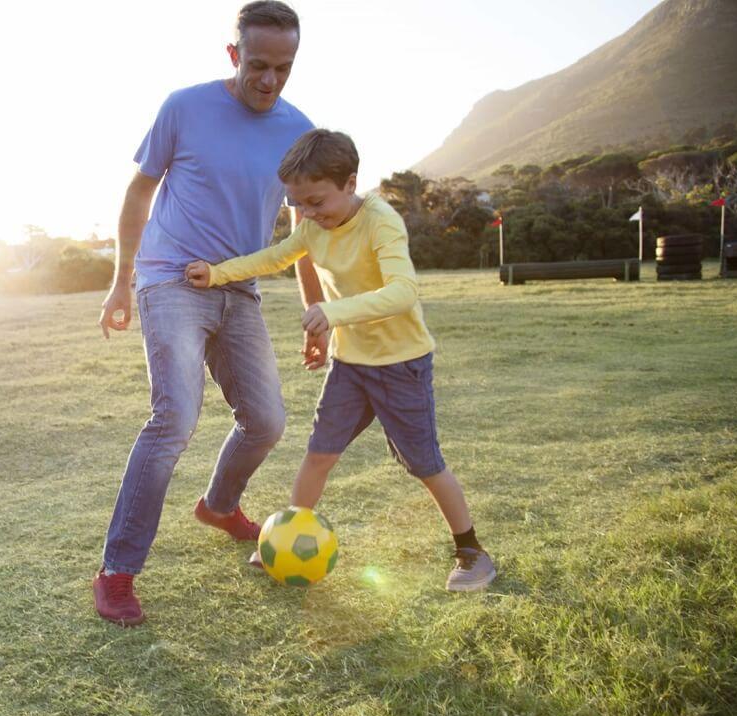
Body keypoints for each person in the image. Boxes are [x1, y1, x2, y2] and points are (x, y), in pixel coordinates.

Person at [185, 129, 497, 592]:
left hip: (401, 365)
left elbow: (403, 291)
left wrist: (332, 313)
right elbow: (275, 257)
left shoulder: (380, 221)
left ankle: (473, 553)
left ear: (350, 183)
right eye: (299, 205)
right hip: (350, 366)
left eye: (316, 202)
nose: (308, 215)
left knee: (424, 464)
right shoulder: (313, 226)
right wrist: (216, 274)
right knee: (318, 456)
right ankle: (287, 543)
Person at [94, 1, 321, 626]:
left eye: (284, 67)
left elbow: (303, 227)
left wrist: (316, 309)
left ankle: (220, 505)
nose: (269, 80)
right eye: (258, 65)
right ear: (233, 56)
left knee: (268, 420)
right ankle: (117, 573)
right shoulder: (183, 107)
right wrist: (120, 284)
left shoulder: (299, 133)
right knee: (175, 418)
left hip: (238, 288)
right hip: (169, 278)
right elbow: (139, 191)